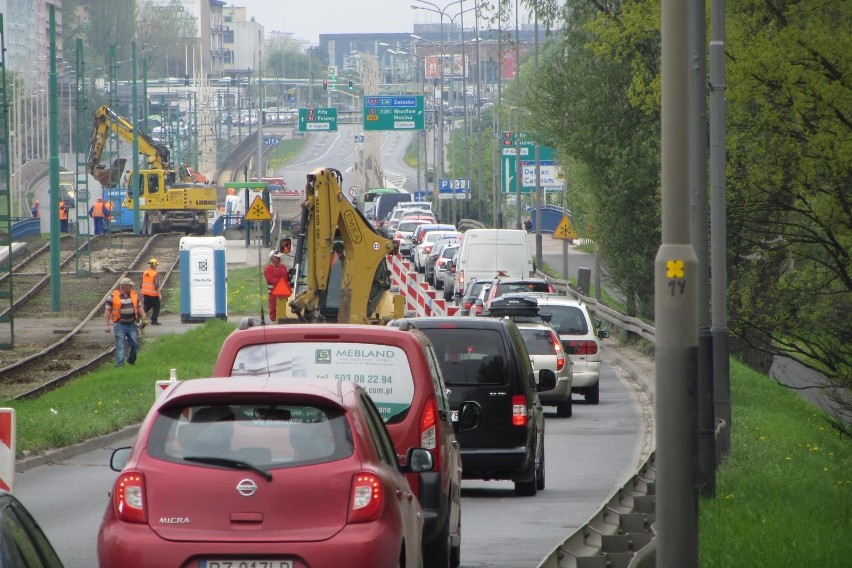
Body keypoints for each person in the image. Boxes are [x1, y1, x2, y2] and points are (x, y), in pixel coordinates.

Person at [103, 277, 145, 367]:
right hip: (119, 325)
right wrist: (106, 325)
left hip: (132, 324)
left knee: (135, 344)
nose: (131, 287)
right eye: (130, 285)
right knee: (120, 345)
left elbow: (139, 307)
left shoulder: (133, 295)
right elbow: (107, 310)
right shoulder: (112, 296)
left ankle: (131, 360)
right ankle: (120, 365)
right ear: (125, 286)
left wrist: (144, 318)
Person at [264, 250, 290, 322]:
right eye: (277, 257)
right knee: (273, 312)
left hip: (283, 294)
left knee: (284, 310)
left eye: (279, 257)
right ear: (272, 258)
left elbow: (286, 278)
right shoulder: (268, 269)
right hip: (273, 295)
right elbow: (273, 280)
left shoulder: (283, 267)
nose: (279, 259)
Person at [140, 258, 163, 325]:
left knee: (147, 306)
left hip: (146, 293)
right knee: (156, 307)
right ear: (154, 265)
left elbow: (141, 283)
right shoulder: (155, 273)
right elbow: (156, 285)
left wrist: (141, 290)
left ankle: (139, 316)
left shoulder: (145, 272)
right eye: (156, 265)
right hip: (153, 294)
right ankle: (154, 320)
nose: (156, 267)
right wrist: (159, 294)